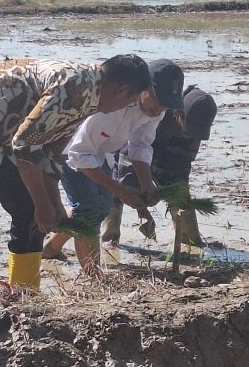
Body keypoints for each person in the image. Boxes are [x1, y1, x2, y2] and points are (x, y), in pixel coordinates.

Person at [0, 55, 151, 301]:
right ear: (121, 90)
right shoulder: (74, 87)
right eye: (131, 101)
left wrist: (54, 203)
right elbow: (25, 147)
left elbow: (50, 150)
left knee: (30, 213)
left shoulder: (92, 95)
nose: (127, 107)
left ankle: (25, 297)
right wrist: (43, 205)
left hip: (7, 130)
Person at [42, 60, 185, 273]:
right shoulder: (112, 107)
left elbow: (140, 144)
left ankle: (51, 249)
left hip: (103, 151)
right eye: (158, 100)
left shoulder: (155, 110)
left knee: (102, 206)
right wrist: (119, 189)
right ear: (145, 88)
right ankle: (92, 275)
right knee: (88, 206)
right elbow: (79, 154)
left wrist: (147, 185)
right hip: (69, 149)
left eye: (167, 103)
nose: (160, 108)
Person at [102, 85, 218, 247]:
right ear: (179, 114)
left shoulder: (194, 131)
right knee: (115, 191)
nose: (192, 135)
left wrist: (173, 193)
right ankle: (110, 241)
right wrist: (142, 210)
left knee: (181, 196)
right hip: (129, 151)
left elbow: (181, 170)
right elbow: (128, 164)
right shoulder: (156, 112)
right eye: (190, 129)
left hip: (163, 156)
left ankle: (190, 243)